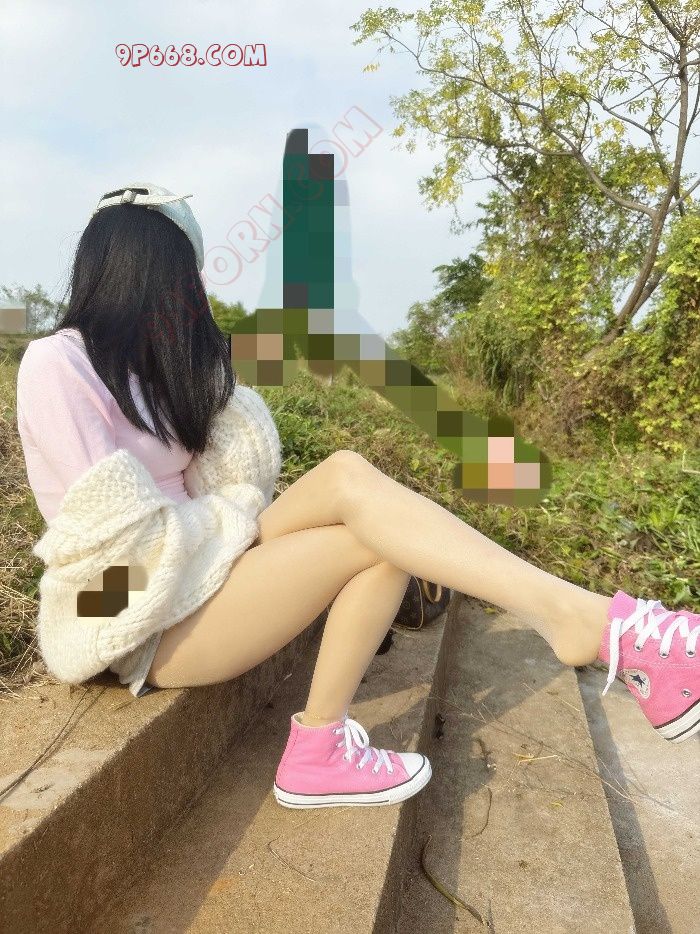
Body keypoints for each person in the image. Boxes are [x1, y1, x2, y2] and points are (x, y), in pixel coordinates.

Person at [15, 185, 700, 815]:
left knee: (353, 488)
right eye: (183, 279)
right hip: (119, 603)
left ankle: (326, 746)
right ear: (142, 277)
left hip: (193, 563)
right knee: (362, 523)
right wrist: (233, 527)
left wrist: (214, 398)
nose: (192, 295)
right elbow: (123, 549)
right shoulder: (57, 364)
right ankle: (600, 625)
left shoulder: (157, 375)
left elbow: (229, 490)